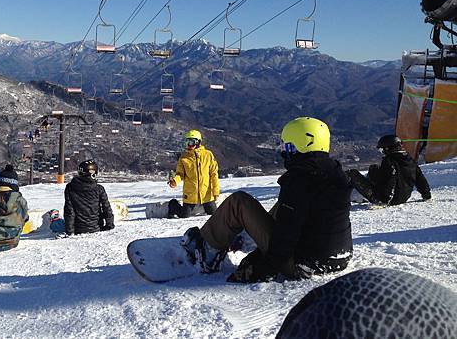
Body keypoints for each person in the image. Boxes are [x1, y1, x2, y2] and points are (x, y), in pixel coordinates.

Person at [181, 117, 353, 283]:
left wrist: (261, 268)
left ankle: (207, 251)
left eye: (289, 147)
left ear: (303, 144)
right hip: (337, 259)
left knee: (238, 202)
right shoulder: (337, 174)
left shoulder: (299, 180)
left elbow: (286, 234)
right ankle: (246, 238)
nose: (285, 152)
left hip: (302, 264)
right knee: (284, 207)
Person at [347, 135, 431, 206]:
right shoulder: (410, 161)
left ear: (388, 148)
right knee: (374, 168)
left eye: (382, 150)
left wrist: (384, 200)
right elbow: (420, 179)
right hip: (402, 198)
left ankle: (341, 197)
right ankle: (358, 196)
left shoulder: (389, 161)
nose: (382, 152)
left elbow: (391, 180)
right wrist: (426, 195)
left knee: (352, 173)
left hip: (387, 199)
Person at [167, 129, 220, 218]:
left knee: (213, 214)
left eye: (191, 142)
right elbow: (180, 174)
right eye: (187, 142)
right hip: (190, 194)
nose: (189, 145)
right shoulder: (184, 158)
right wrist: (175, 181)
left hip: (206, 194)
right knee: (184, 215)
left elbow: (214, 174)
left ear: (198, 142)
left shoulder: (208, 155)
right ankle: (173, 204)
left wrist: (215, 191)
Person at [63, 159, 114, 236]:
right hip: (97, 227)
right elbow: (106, 208)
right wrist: (109, 225)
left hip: (78, 229)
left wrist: (70, 231)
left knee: (56, 222)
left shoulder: (70, 187)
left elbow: (69, 211)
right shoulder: (99, 188)